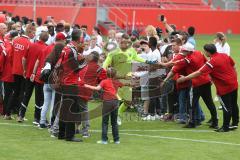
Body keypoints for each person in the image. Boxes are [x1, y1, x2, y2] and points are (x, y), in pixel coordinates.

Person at [178, 44, 239, 132]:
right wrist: (234, 79)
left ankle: (225, 127)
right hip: (234, 84)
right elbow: (234, 67)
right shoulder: (225, 55)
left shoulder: (212, 62)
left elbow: (198, 72)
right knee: (233, 104)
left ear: (208, 52)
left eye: (205, 51)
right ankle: (234, 123)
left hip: (224, 88)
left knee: (226, 107)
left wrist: (185, 78)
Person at [164, 43, 218, 129]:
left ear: (188, 51)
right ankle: (215, 121)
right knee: (209, 102)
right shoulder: (199, 53)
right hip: (206, 81)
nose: (182, 52)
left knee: (192, 103)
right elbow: (206, 63)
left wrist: (165, 64)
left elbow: (177, 63)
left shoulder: (189, 59)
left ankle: (192, 122)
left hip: (196, 83)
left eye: (184, 51)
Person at [103, 34, 147, 125]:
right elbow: (105, 65)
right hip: (116, 80)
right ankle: (110, 118)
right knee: (114, 100)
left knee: (128, 101)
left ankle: (117, 115)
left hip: (127, 80)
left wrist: (148, 62)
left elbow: (137, 58)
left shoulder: (131, 50)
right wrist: (106, 72)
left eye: (125, 41)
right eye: (120, 39)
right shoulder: (113, 52)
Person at [84, 68, 126, 144]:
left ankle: (104, 140)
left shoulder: (104, 81)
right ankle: (116, 140)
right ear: (115, 75)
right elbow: (124, 85)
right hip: (116, 102)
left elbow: (97, 88)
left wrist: (86, 85)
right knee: (114, 122)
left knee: (105, 122)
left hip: (107, 103)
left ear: (106, 74)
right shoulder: (116, 81)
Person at [18, 31, 49, 124]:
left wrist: (24, 70)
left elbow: (24, 59)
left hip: (29, 74)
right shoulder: (46, 48)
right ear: (47, 39)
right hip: (39, 75)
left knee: (27, 94)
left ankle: (21, 115)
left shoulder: (31, 45)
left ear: (39, 37)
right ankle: (37, 118)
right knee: (39, 97)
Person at [7, 23, 36, 119]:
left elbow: (10, 56)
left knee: (15, 92)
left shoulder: (15, 41)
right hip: (24, 71)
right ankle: (20, 114)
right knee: (22, 93)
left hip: (15, 69)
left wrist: (13, 66)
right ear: (30, 32)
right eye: (34, 32)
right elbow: (28, 60)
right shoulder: (29, 44)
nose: (34, 34)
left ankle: (8, 114)